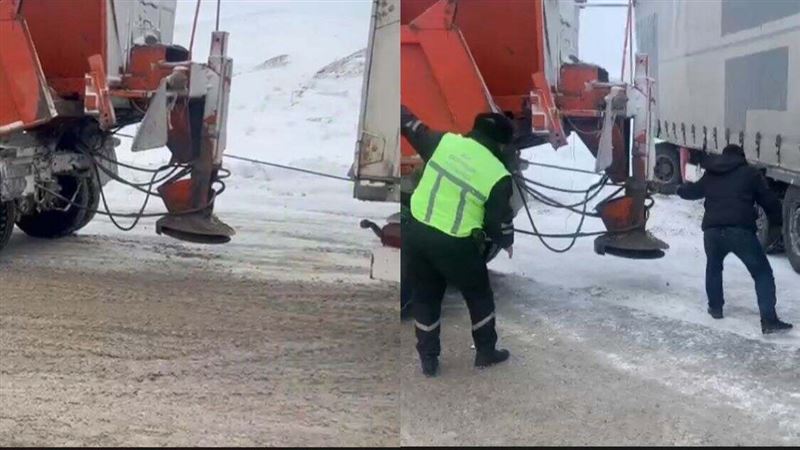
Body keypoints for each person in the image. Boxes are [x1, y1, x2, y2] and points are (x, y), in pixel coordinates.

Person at [401, 105, 515, 377]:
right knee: (478, 295)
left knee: (426, 297)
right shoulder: (498, 174)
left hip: (417, 233)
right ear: (501, 143)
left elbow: (412, 127)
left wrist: (400, 109)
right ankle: (486, 351)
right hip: (454, 244)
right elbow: (497, 219)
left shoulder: (443, 142)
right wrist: (506, 239)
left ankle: (428, 359)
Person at [677, 144, 792, 334]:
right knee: (762, 272)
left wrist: (679, 190)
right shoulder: (751, 174)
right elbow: (769, 201)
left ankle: (715, 308)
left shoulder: (712, 172)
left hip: (712, 233)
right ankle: (769, 320)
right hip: (740, 232)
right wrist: (778, 223)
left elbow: (693, 192)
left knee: (713, 267)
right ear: (742, 157)